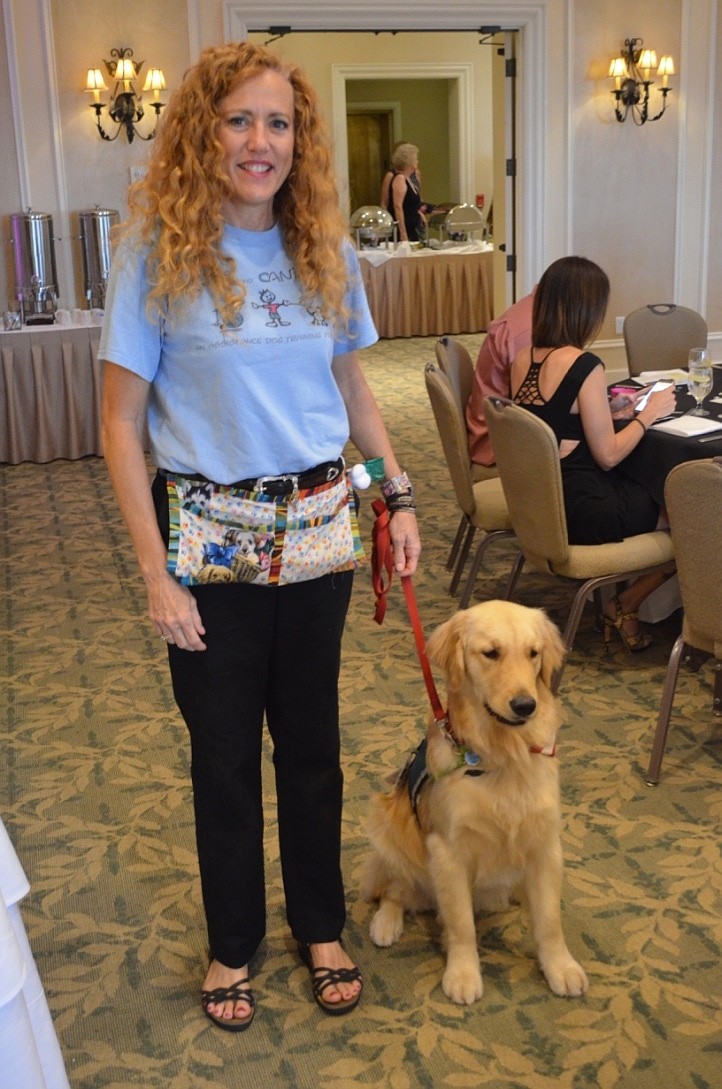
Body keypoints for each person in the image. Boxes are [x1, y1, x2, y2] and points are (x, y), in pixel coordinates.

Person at [100, 41, 420, 1032]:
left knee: (312, 748)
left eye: (277, 122)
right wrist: (154, 573)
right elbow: (118, 422)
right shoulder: (155, 248)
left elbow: (349, 389)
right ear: (204, 129)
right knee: (224, 759)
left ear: (298, 138)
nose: (259, 141)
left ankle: (318, 925)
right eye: (239, 119)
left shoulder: (321, 242)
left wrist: (394, 494)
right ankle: (231, 942)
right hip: (207, 541)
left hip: (319, 532)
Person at [509, 256, 676, 652]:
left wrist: (611, 411)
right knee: (693, 515)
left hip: (546, 505)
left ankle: (629, 603)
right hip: (586, 506)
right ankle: (626, 603)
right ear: (585, 310)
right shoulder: (585, 364)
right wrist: (648, 414)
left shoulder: (524, 360)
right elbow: (609, 456)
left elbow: (554, 417)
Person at [467, 290, 535, 467]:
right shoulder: (529, 332)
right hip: (496, 444)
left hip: (492, 427)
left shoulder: (526, 312)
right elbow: (535, 406)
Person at [385, 142, 426, 243]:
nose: (417, 161)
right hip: (404, 230)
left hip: (412, 227)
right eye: (415, 158)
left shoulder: (410, 179)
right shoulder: (400, 178)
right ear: (409, 161)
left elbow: (413, 203)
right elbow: (398, 206)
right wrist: (403, 234)